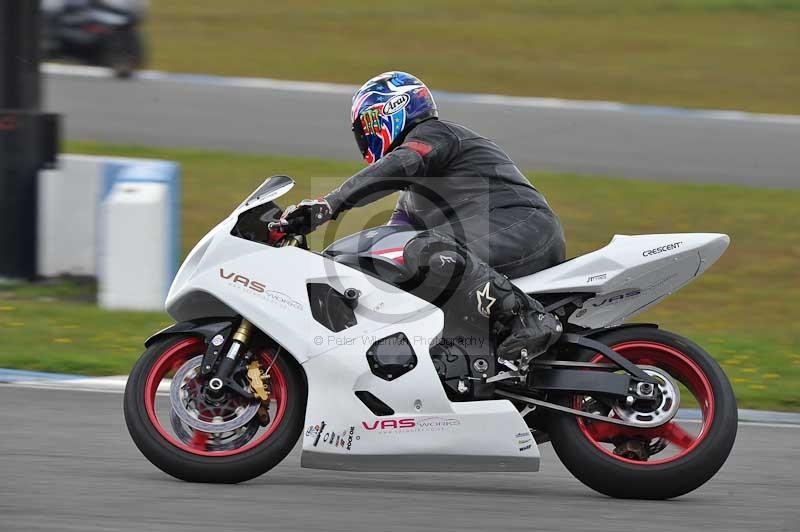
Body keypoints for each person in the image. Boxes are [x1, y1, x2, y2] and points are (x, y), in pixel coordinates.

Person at [276, 72, 566, 361]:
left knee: (423, 248)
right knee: (399, 256)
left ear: (394, 108)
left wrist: (326, 206)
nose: (365, 139)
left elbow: (398, 165)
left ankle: (529, 318)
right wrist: (324, 266)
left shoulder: (435, 134)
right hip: (494, 241)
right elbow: (382, 248)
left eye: (370, 125)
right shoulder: (411, 199)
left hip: (524, 227)